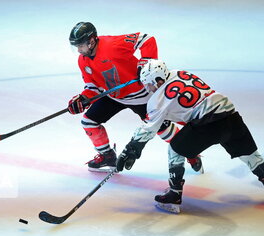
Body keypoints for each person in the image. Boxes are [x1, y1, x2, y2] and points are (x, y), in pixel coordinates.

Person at [116, 59, 264, 213]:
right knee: (249, 154)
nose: (148, 89)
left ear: (157, 81)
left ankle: (174, 195)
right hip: (231, 115)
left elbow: (149, 129)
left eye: (149, 85)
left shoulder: (157, 101)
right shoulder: (181, 73)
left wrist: (131, 149)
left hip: (208, 124)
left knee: (175, 148)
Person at [67, 22, 203, 173]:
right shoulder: (83, 60)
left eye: (80, 45)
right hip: (114, 95)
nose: (78, 50)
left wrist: (146, 62)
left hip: (141, 96)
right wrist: (84, 98)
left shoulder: (112, 45)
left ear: (91, 41)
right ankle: (107, 156)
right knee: (88, 122)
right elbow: (93, 85)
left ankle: (190, 152)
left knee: (163, 130)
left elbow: (146, 39)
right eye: (76, 47)